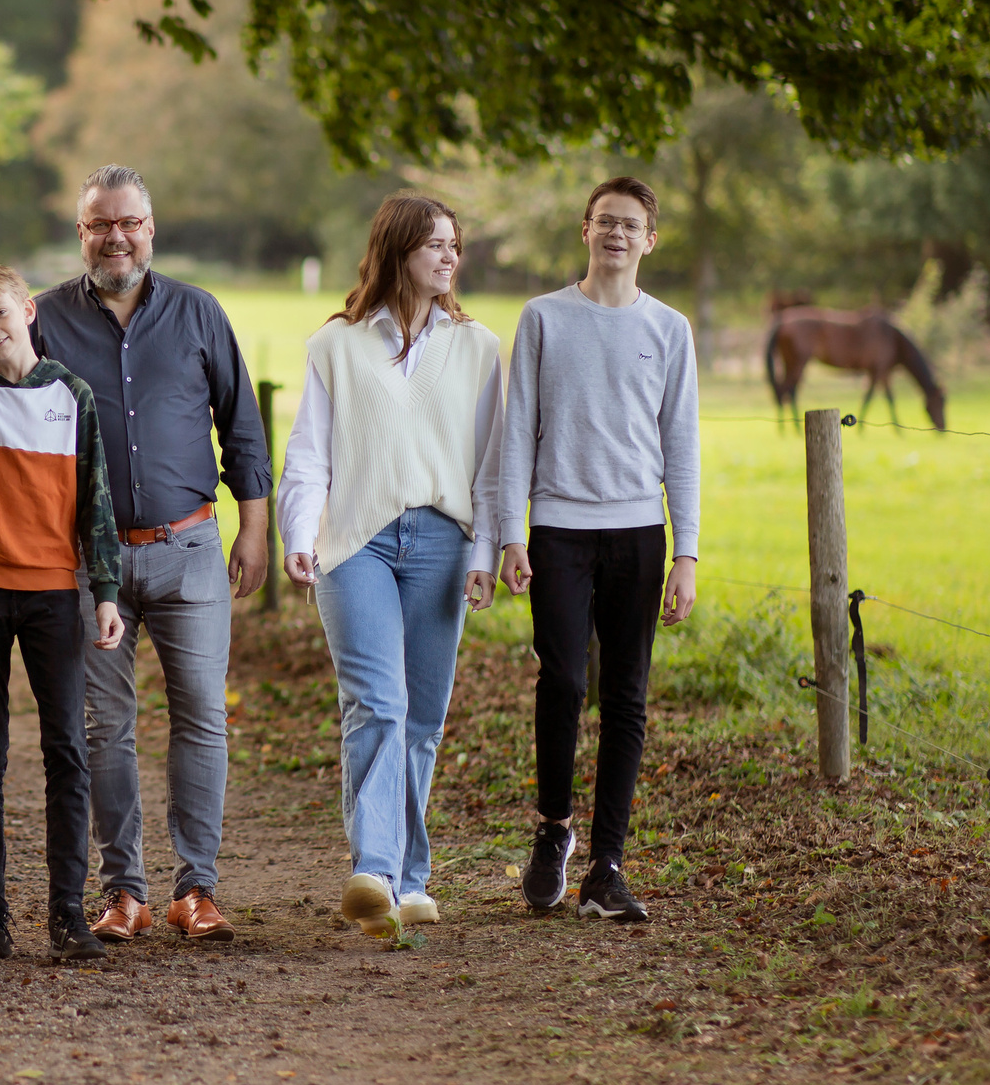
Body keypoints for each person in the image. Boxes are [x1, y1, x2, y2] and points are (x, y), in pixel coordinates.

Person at [33, 165, 273, 942]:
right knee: (106, 724)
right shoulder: (43, 321)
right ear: (83, 233)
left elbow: (242, 427)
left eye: (129, 222)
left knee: (202, 716)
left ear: (151, 227)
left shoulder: (200, 313)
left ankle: (196, 887)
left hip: (191, 547)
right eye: (101, 224)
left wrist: (256, 528)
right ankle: (123, 891)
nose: (116, 236)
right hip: (88, 559)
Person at [277, 194, 503, 943]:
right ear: (397, 249)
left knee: (424, 717)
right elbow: (308, 453)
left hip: (443, 540)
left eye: (454, 245)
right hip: (356, 544)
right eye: (433, 244)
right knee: (378, 701)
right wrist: (299, 531)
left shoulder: (478, 348)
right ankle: (374, 869)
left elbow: (492, 467)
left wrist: (486, 550)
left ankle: (409, 881)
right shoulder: (336, 344)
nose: (447, 257)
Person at [497, 176, 700, 924]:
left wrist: (687, 552)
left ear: (651, 239)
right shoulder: (545, 317)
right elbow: (517, 431)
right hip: (557, 526)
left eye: (632, 224)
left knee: (628, 696)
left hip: (639, 532)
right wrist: (510, 532)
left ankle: (607, 865)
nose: (617, 233)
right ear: (585, 230)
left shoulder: (670, 329)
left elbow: (682, 443)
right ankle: (555, 829)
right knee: (562, 680)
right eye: (605, 220)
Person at [0, 261, 125, 965]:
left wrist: (104, 590)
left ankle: (68, 913)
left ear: (27, 310)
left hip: (49, 593)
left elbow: (95, 497)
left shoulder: (71, 394)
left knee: (66, 749)